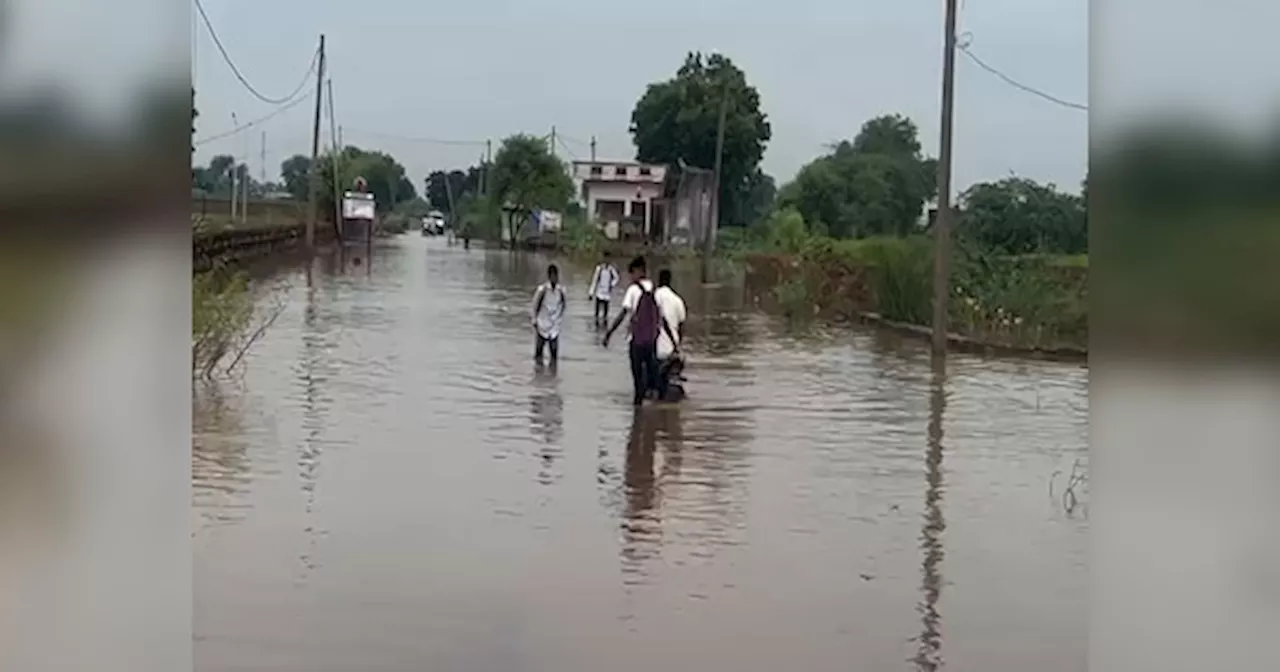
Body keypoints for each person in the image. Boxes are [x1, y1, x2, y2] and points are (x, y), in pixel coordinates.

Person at [603, 256, 679, 406]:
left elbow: (623, 314)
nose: (631, 277)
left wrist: (609, 333)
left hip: (636, 342)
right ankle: (657, 413)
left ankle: (638, 415)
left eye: (632, 273)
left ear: (639, 271)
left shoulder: (633, 290)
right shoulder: (655, 290)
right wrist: (674, 343)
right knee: (653, 378)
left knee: (638, 382)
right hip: (651, 343)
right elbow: (662, 320)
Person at [654, 268, 688, 400]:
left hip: (654, 347)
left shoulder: (653, 297)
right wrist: (677, 346)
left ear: (659, 280)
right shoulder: (677, 300)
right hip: (671, 349)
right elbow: (681, 326)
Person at [531, 264, 566, 365]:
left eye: (556, 276)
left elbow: (563, 306)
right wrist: (534, 320)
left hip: (554, 325)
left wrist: (559, 320)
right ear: (549, 276)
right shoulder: (542, 290)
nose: (555, 278)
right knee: (538, 352)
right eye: (553, 276)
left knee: (554, 353)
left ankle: (553, 371)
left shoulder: (561, 291)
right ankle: (538, 372)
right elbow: (535, 305)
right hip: (542, 323)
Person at [587, 251, 620, 327]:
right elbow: (594, 281)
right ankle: (596, 327)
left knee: (605, 315)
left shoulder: (611, 269)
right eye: (604, 258)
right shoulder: (599, 268)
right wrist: (591, 293)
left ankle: (605, 327)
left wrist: (611, 284)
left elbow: (617, 278)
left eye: (607, 258)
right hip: (599, 294)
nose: (606, 260)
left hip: (607, 295)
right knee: (597, 314)